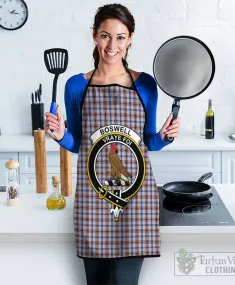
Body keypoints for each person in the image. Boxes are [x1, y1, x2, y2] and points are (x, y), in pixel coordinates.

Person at [45, 3, 180, 285]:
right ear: (94, 36)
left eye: (120, 36)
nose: (112, 45)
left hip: (136, 199)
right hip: (93, 200)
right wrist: (60, 136)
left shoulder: (145, 84)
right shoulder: (76, 85)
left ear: (130, 38)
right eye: (105, 35)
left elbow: (149, 142)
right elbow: (78, 142)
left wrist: (165, 136)